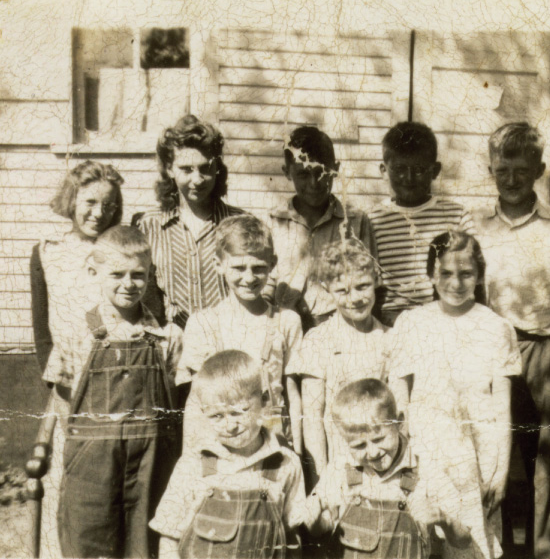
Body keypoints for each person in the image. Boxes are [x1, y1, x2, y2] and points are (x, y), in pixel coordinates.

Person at [474, 122, 550, 559]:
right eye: (503, 169)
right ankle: (493, 554)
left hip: (545, 352)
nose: (512, 179)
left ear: (539, 170)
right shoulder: (477, 225)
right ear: (490, 170)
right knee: (490, 455)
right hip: (490, 353)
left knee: (546, 463)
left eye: (522, 170)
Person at [38, 226, 184, 559]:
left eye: (138, 275)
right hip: (92, 463)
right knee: (88, 543)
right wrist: (78, 451)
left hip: (152, 462)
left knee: (145, 547)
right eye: (117, 274)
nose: (128, 284)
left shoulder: (167, 337)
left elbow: (176, 400)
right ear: (94, 271)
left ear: (150, 275)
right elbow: (62, 396)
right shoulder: (75, 331)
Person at [388, 231, 521, 559]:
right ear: (431, 273)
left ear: (479, 275)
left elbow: (503, 406)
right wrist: (404, 455)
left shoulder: (496, 327)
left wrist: (501, 472)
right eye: (445, 273)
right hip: (425, 448)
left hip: (478, 453)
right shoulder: (412, 322)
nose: (456, 283)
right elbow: (399, 394)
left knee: (470, 551)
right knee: (422, 543)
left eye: (466, 274)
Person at [28, 160, 123, 558]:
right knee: (67, 468)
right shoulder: (47, 253)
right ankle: (58, 556)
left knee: (106, 472)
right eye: (89, 201)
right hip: (68, 381)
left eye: (107, 204)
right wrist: (55, 379)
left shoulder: (120, 249)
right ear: (71, 200)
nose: (98, 213)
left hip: (114, 379)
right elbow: (40, 326)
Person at [151, 350, 306, 559]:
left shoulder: (285, 464)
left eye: (238, 412)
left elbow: (292, 537)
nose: (230, 425)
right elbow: (169, 537)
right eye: (217, 416)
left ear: (264, 400)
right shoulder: (192, 464)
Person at [304, 379, 471, 559]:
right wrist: (314, 522)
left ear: (399, 421)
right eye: (359, 445)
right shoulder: (341, 467)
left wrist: (444, 519)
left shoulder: (425, 470)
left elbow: (464, 541)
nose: (373, 452)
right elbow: (322, 526)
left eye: (379, 439)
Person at [180, 215, 303, 451]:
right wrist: (190, 456)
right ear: (219, 264)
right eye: (238, 267)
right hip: (218, 443)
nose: (248, 278)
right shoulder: (202, 323)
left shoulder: (287, 321)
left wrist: (297, 453)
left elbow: (293, 395)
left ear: (272, 264)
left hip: (272, 440)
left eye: (258, 268)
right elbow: (195, 401)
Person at [287, 239, 390, 483]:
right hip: (339, 467)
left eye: (362, 286)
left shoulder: (390, 337)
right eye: (342, 291)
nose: (354, 298)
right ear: (327, 289)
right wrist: (322, 482)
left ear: (375, 280)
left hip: (384, 463)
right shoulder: (318, 340)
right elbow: (312, 416)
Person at [134, 115, 245, 330]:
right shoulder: (148, 226)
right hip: (173, 343)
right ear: (169, 169)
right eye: (186, 169)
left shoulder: (238, 223)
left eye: (205, 168)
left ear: (217, 169)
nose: (197, 180)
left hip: (228, 337)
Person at [264, 125, 376, 331]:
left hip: (342, 327)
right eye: (303, 175)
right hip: (285, 326)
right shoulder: (272, 222)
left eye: (321, 172)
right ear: (287, 172)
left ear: (336, 169)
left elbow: (371, 283)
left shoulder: (356, 221)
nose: (314, 183)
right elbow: (265, 284)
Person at [368, 121, 475, 326]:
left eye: (418, 169)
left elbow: (470, 273)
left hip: (444, 317)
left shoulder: (456, 216)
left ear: (434, 170)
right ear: (383, 170)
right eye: (399, 169)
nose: (408, 178)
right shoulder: (372, 219)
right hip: (390, 321)